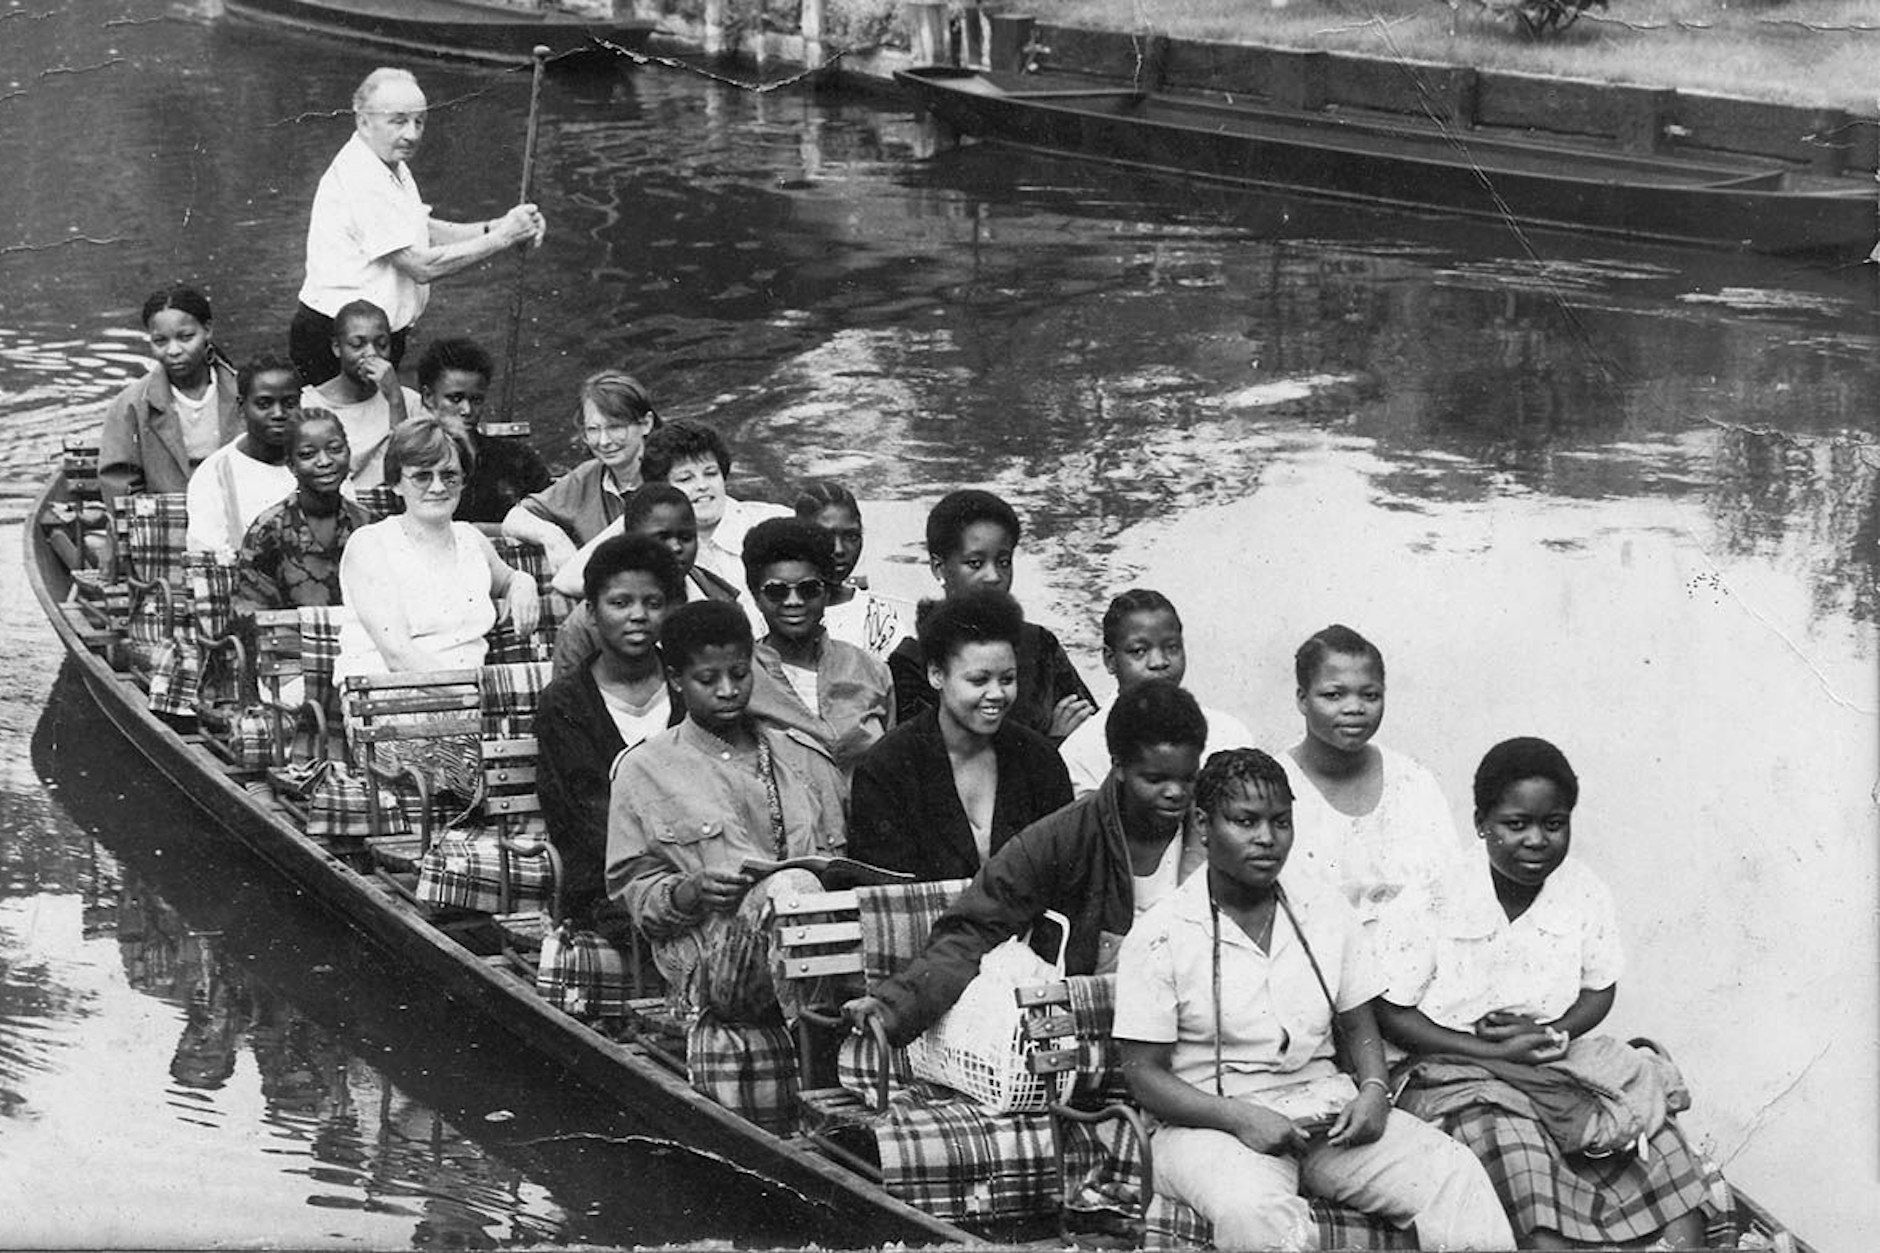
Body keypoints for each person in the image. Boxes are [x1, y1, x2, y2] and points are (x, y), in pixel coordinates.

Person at [1112, 748, 1514, 1252]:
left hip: (1325, 1112)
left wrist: (1372, 1092)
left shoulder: (1322, 909)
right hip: (1208, 1127)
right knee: (1255, 1212)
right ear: (1203, 823)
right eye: (1245, 821)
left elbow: (1357, 1025)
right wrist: (1239, 1118)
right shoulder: (1162, 933)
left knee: (1451, 1173)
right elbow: (1144, 1074)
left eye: (1281, 822)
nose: (1267, 839)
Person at [1375, 737, 1709, 1248]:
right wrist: (1491, 1051)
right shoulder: (1435, 893)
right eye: (1516, 824)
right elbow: (1391, 1011)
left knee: (1652, 1129)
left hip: (1553, 1059)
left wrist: (1555, 1031)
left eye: (1553, 824)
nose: (1536, 840)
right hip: (1449, 1067)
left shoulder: (1584, 892)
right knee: (1514, 1147)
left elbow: (1600, 990)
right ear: (1481, 822)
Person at [843, 678, 1204, 1046]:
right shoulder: (1064, 838)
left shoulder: (1210, 834)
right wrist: (896, 1007)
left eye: (1188, 778)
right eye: (1155, 779)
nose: (1176, 793)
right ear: (1119, 767)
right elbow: (975, 929)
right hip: (1106, 1040)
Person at [606, 599, 847, 1020]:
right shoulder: (644, 770)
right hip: (712, 963)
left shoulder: (803, 757)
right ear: (676, 680)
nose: (728, 690)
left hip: (823, 947)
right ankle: (817, 1041)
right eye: (707, 679)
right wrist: (690, 891)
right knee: (792, 889)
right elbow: (634, 892)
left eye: (739, 673)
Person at [289, 66, 545, 386]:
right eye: (398, 121)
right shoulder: (361, 176)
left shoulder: (391, 164)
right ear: (364, 120)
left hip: (375, 336)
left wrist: (497, 226)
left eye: (419, 121)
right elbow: (420, 266)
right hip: (339, 341)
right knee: (348, 432)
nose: (411, 134)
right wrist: (505, 238)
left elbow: (422, 230)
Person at [848, 588, 1070, 881]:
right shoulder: (886, 769)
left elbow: (1069, 872)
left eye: (1008, 679)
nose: (997, 694)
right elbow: (884, 895)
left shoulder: (1041, 761)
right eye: (979, 680)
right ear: (936, 674)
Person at [537, 534, 686, 939]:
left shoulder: (689, 686)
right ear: (591, 611)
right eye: (620, 603)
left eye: (652, 603)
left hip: (695, 865)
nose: (638, 615)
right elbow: (586, 814)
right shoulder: (565, 702)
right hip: (606, 882)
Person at [334, 413, 540, 685]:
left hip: (468, 699)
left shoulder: (470, 538)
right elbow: (398, 656)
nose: (438, 487)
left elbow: (510, 579)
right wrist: (468, 697)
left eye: (449, 475)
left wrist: (523, 583)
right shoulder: (371, 545)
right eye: (421, 476)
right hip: (389, 698)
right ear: (396, 483)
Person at [1284, 624, 1460, 935]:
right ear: (1302, 699)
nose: (1354, 708)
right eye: (1334, 694)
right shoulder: (1275, 785)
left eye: (1370, 695)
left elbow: (1449, 891)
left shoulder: (1412, 782)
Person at [886, 489, 1096, 745]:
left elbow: (1089, 731)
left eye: (1004, 562)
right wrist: (1053, 742)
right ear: (938, 567)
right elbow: (934, 757)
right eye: (975, 563)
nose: (994, 576)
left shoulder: (1040, 645)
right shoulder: (914, 662)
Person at [1058, 590, 1256, 798]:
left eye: (1172, 647)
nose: (1159, 662)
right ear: (1110, 660)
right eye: (1139, 651)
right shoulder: (1082, 752)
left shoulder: (1230, 735)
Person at [741, 517, 894, 776]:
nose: (793, 601)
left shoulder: (871, 671)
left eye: (808, 589)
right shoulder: (741, 678)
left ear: (826, 593)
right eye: (776, 591)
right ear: (756, 598)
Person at [548, 484, 739, 679]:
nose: (675, 547)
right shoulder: (587, 625)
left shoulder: (719, 598)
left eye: (686, 537)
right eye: (661, 537)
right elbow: (566, 698)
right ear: (630, 538)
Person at [502, 370, 661, 571]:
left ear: (646, 423)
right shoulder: (587, 477)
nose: (604, 441)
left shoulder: (674, 471)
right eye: (593, 429)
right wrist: (552, 536)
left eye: (615, 427)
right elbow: (514, 519)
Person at [99, 285, 241, 503]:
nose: (173, 351)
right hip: (166, 526)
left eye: (185, 337)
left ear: (208, 330)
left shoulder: (245, 392)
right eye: (160, 341)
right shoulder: (131, 405)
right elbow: (119, 485)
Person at [235, 407, 372, 616]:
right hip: (287, 646)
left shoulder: (369, 525)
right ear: (291, 464)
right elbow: (251, 618)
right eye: (308, 454)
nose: (325, 461)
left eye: (335, 449)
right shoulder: (268, 531)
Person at [639, 419, 788, 593]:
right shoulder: (659, 549)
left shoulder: (775, 522)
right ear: (663, 489)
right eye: (686, 479)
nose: (702, 485)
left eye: (710, 473)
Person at [414, 337, 550, 526]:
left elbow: (548, 519)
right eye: (455, 399)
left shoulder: (518, 461)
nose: (467, 410)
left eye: (476, 400)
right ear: (428, 397)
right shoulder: (413, 463)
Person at [299, 300, 422, 489]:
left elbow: (410, 471)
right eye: (357, 345)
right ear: (337, 348)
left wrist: (395, 400)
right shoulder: (308, 405)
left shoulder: (408, 400)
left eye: (382, 345)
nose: (371, 354)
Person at [185, 355, 302, 554]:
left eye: (289, 403)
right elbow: (207, 559)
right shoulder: (215, 475)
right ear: (241, 407)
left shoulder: (321, 460)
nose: (278, 414)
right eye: (264, 404)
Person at [793, 482, 907, 660]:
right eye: (825, 537)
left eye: (851, 537)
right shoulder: (774, 612)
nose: (839, 549)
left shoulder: (879, 618)